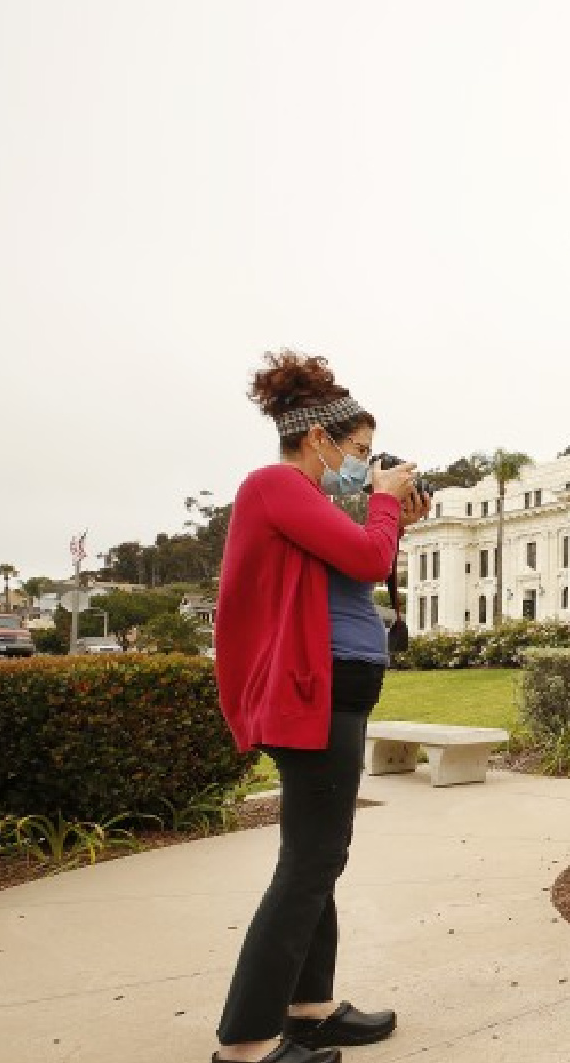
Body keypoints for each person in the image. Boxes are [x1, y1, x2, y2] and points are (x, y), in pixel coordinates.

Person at [210, 351, 428, 1063]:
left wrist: (395, 516)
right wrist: (385, 503)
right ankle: (246, 1042)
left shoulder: (303, 501)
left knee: (317, 857)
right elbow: (367, 560)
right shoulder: (274, 485)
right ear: (317, 440)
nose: (362, 465)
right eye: (358, 452)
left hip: (334, 693)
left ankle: (310, 1007)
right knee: (311, 860)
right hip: (316, 697)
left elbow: (361, 556)